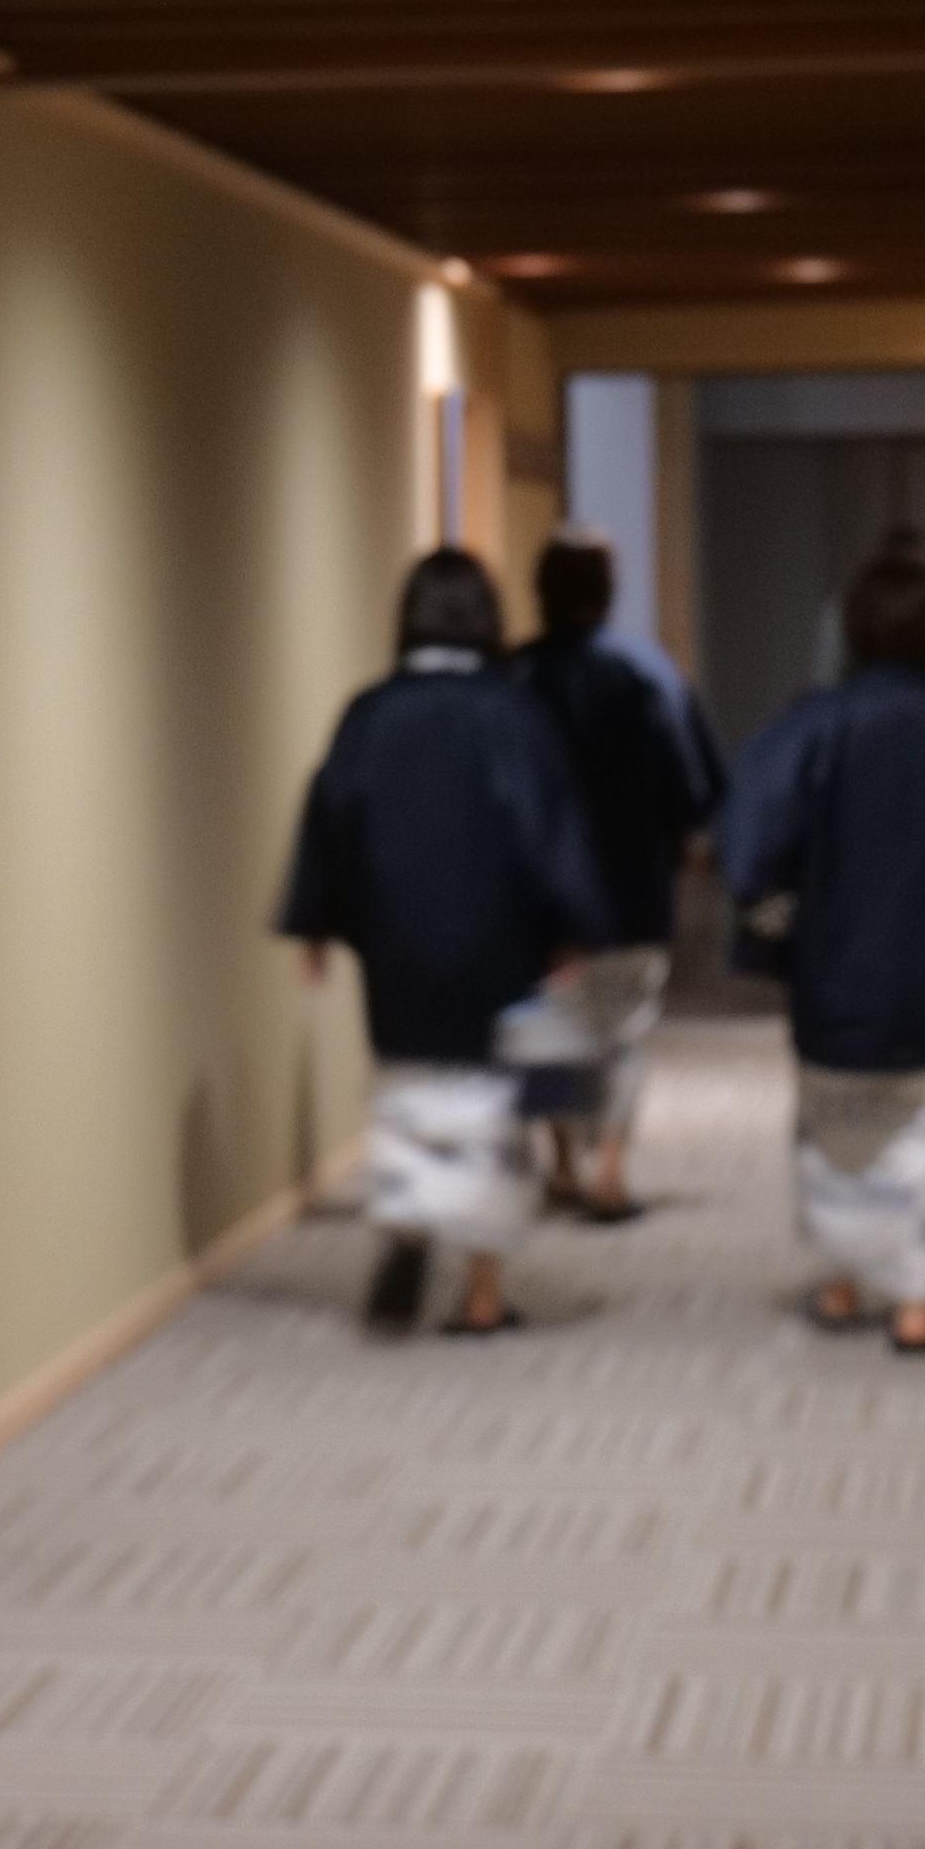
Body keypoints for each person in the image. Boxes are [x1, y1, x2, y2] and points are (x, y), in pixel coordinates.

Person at [278, 548, 610, 1335]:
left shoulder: (369, 713)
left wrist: (313, 920)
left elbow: (329, 816)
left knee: (408, 1084)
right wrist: (572, 926)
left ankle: (405, 1222)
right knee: (492, 1108)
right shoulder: (512, 712)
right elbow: (547, 827)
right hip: (495, 938)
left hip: (398, 937)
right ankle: (482, 1296)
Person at [717, 538, 925, 1355]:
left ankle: (844, 1280)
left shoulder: (813, 726)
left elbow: (748, 839)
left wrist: (772, 903)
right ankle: (917, 1304)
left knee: (840, 1134)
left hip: (839, 968)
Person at [507, 527, 722, 1222]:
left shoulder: (511, 678)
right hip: (630, 886)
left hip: (536, 895)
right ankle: (610, 1167)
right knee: (621, 1030)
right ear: (608, 591)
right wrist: (690, 836)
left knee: (550, 1028)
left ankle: (563, 1163)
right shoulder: (645, 670)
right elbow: (690, 780)